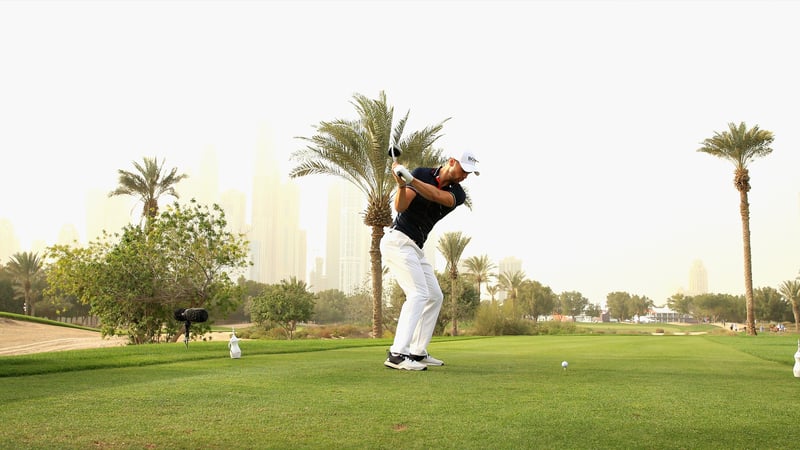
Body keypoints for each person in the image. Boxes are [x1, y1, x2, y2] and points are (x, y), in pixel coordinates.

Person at [381, 150, 480, 370]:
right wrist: (401, 185)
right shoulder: (422, 174)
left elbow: (437, 196)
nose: (465, 176)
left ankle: (416, 352)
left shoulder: (458, 194)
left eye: (469, 174)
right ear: (451, 162)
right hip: (398, 240)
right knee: (418, 294)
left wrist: (410, 179)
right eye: (463, 170)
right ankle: (397, 354)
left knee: (435, 296)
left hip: (415, 246)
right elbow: (400, 207)